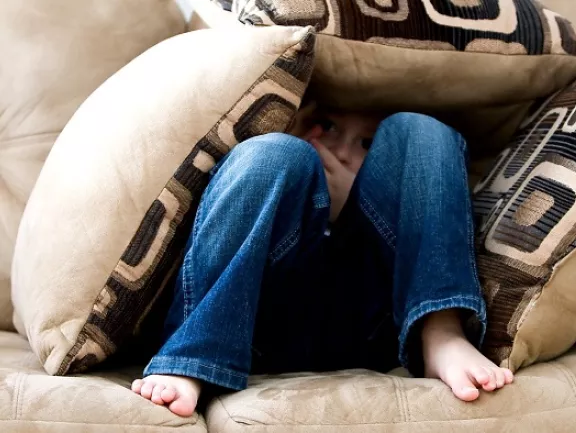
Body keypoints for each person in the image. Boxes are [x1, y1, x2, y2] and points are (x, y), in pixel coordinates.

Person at [131, 105, 514, 416]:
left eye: (367, 143)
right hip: (258, 320)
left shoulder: (390, 178)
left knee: (421, 129)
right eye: (327, 126)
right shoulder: (293, 161)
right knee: (272, 154)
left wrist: (355, 199)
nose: (342, 150)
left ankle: (440, 328)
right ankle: (194, 356)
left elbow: (408, 179)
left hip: (375, 320)